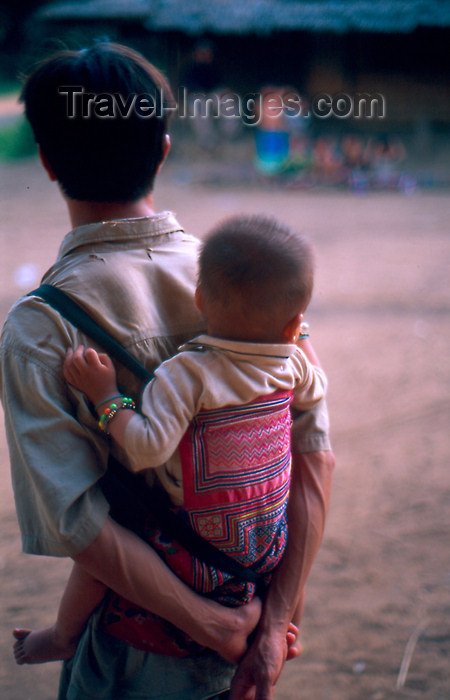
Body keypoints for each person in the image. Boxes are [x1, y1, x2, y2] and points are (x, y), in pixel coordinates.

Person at [0, 41, 334, 700]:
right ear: (163, 148)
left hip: (134, 654)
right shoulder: (250, 275)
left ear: (45, 160)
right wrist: (272, 627)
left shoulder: (41, 329)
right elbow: (314, 454)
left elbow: (77, 524)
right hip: (252, 628)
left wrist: (211, 625)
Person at [13, 215, 327, 666]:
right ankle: (282, 629)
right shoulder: (294, 365)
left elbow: (146, 448)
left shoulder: (188, 373)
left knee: (105, 532)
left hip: (198, 558)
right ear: (294, 324)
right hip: (265, 548)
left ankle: (64, 636)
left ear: (198, 299)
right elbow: (318, 391)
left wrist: (107, 397)